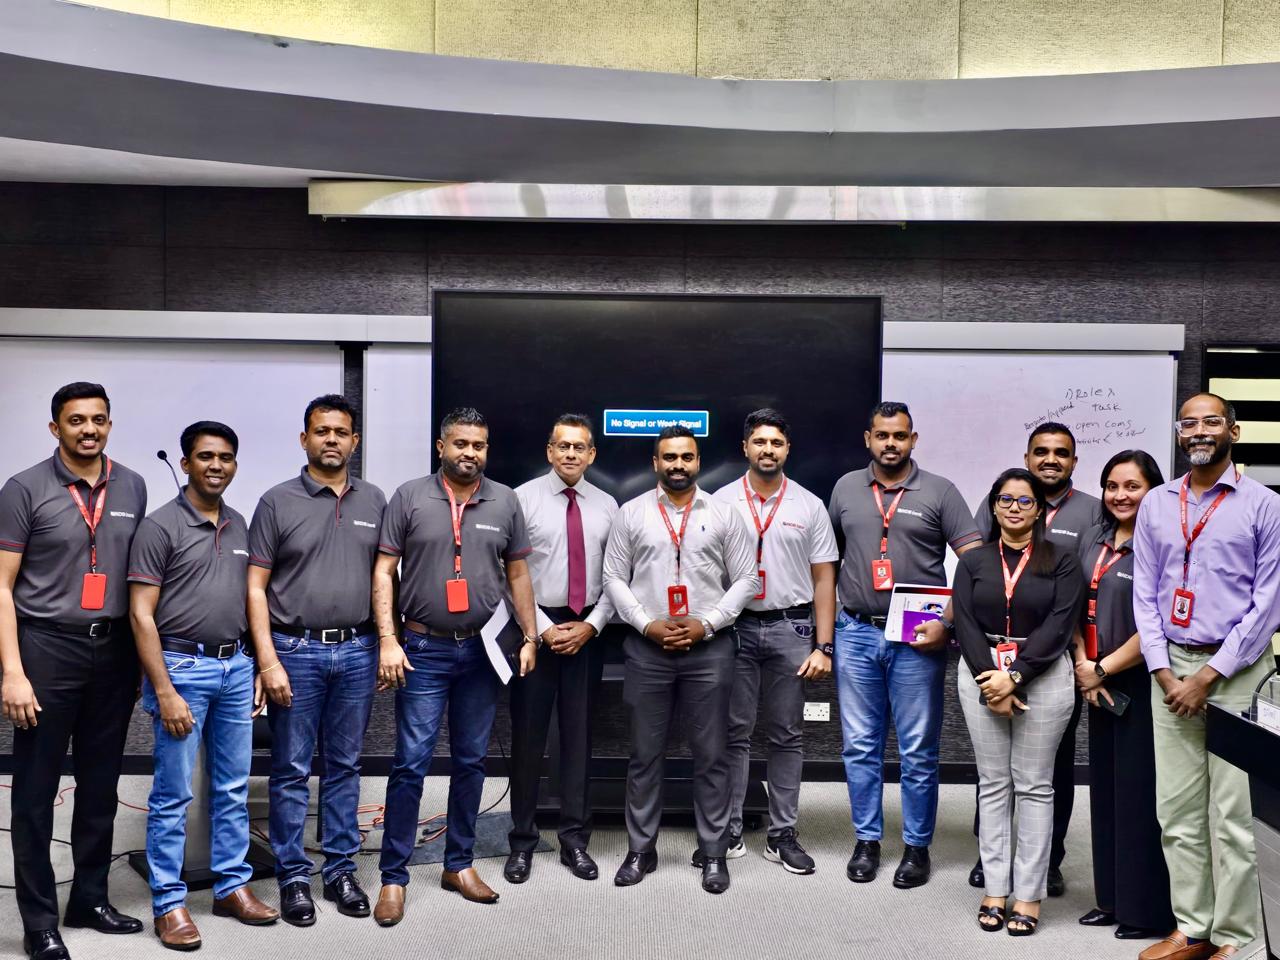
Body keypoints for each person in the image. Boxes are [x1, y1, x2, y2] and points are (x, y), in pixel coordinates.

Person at [372, 407, 539, 925]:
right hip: (422, 648)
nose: (470, 453)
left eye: (479, 445)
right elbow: (384, 569)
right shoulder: (409, 496)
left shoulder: (504, 500)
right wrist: (388, 639)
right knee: (411, 763)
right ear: (441, 447)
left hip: (482, 651)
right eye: (461, 443)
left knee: (471, 761)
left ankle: (459, 865)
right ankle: (394, 876)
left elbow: (518, 573)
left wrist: (530, 635)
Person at [0, 382, 148, 960]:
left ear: (109, 424)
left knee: (101, 785)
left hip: (113, 651)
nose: (89, 430)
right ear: (55, 427)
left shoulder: (132, 484)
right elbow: (2, 586)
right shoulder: (24, 489)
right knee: (36, 792)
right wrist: (12, 672)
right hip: (46, 648)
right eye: (77, 420)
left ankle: (89, 898)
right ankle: (39, 921)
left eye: (99, 419)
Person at [1132, 393, 1280, 960]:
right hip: (1171, 670)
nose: (1198, 430)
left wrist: (1210, 674)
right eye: (1188, 423)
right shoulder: (1156, 503)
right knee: (1176, 810)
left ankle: (1236, 937)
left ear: (1233, 432)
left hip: (1237, 672)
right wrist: (1163, 669)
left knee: (1233, 816)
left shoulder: (1264, 504)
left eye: (1211, 421)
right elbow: (1145, 595)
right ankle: (1192, 928)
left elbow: (1268, 603)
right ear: (1179, 434)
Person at [128, 421, 280, 949]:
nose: (217, 465)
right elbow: (141, 615)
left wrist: (257, 664)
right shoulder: (159, 527)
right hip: (182, 669)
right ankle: (169, 903)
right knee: (174, 793)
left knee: (233, 787)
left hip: (235, 667)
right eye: (206, 456)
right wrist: (165, 690)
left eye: (226, 457)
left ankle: (231, 886)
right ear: (186, 463)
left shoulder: (240, 524)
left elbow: (252, 600)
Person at [246, 394, 387, 925]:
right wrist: (267, 661)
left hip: (357, 649)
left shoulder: (375, 501)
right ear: (304, 439)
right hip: (294, 651)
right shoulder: (276, 502)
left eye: (341, 432)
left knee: (345, 766)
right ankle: (293, 876)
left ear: (354, 441)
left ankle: (341, 870)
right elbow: (255, 587)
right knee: (291, 769)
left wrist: (386, 642)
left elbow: (385, 578)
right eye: (322, 431)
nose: (332, 439)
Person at [828, 402, 981, 888]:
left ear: (913, 440)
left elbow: (976, 565)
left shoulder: (940, 491)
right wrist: (826, 633)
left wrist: (947, 623)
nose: (890, 443)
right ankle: (866, 840)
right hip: (856, 631)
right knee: (859, 746)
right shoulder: (846, 488)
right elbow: (828, 561)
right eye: (882, 435)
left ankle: (917, 847)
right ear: (868, 439)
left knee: (917, 749)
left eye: (899, 435)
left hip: (916, 636)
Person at [602, 425, 757, 894]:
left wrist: (706, 623)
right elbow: (613, 577)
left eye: (686, 457)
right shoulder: (631, 513)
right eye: (669, 457)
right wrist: (645, 623)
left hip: (709, 649)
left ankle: (713, 852)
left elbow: (746, 579)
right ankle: (640, 850)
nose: (678, 465)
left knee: (711, 755)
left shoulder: (725, 513)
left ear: (698, 462)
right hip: (647, 649)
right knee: (644, 755)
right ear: (655, 462)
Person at [970, 421, 1101, 896]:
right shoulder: (1002, 504)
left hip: (1057, 654)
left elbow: (1089, 583)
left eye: (1061, 453)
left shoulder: (1093, 510)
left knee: (1049, 769)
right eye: (1041, 451)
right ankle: (991, 860)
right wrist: (996, 675)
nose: (1051, 459)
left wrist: (1038, 668)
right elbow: (980, 578)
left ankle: (1048, 861)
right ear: (1027, 458)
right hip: (997, 654)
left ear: (1073, 461)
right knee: (995, 772)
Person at [953, 468, 1083, 937]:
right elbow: (964, 621)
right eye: (1005, 499)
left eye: (1025, 501)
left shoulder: (1062, 560)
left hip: (1042, 675)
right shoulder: (974, 561)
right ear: (993, 506)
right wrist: (991, 682)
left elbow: (1060, 624)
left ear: (1039, 509)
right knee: (992, 785)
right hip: (981, 672)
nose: (1014, 508)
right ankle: (995, 888)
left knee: (1034, 786)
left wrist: (1015, 677)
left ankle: (1028, 894)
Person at [711, 409, 838, 875]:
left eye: (776, 443)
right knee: (734, 733)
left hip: (792, 629)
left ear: (787, 449)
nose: (768, 450)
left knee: (787, 734)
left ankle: (782, 834)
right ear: (745, 447)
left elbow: (824, 579)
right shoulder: (720, 502)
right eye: (760, 442)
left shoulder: (809, 505)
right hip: (734, 629)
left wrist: (824, 646)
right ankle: (729, 830)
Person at [505, 414, 618, 885]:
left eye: (579, 447)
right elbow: (508, 574)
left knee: (579, 739)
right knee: (528, 740)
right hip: (535, 633)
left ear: (592, 455)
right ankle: (522, 841)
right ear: (550, 451)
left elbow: (618, 577)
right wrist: (543, 628)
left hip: (588, 631)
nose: (571, 454)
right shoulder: (521, 500)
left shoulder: (609, 505)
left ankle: (574, 840)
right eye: (563, 446)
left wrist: (591, 626)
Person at [1073, 451, 1175, 941]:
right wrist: (1084, 666)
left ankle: (1146, 911)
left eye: (1132, 486)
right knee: (1106, 792)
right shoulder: (1094, 540)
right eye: (1112, 486)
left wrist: (1103, 668)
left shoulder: (1162, 545)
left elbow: (1159, 624)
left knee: (1139, 796)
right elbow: (1074, 606)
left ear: (1153, 490)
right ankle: (1110, 899)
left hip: (1137, 677)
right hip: (1095, 679)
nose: (1120, 495)